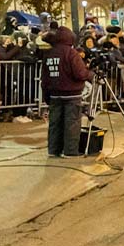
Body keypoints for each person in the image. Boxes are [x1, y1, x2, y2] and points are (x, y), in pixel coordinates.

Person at [42, 26, 94, 157]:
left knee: (55, 124)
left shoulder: (49, 53)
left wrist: (46, 95)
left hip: (54, 94)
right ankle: (70, 151)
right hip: (72, 94)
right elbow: (80, 73)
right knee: (72, 123)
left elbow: (45, 77)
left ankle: (54, 150)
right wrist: (90, 74)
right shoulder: (71, 53)